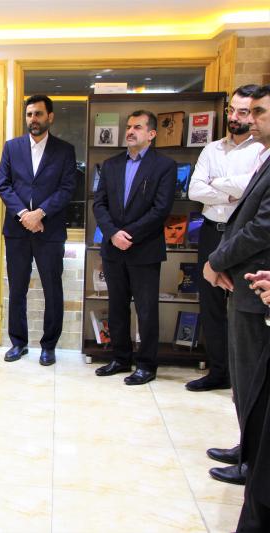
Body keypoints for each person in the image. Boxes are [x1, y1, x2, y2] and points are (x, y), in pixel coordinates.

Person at [203, 84, 270, 493]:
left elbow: (261, 228)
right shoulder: (264, 156)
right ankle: (248, 447)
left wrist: (216, 260)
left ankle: (254, 463)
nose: (247, 119)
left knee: (253, 379)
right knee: (245, 379)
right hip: (245, 282)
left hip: (257, 286)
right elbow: (199, 190)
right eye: (244, 111)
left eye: (257, 112)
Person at [187, 85, 263, 393]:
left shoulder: (262, 149)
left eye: (243, 112)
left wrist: (217, 183)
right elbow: (195, 189)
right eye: (232, 110)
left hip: (243, 235)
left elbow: (251, 189)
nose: (234, 117)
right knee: (211, 305)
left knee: (245, 306)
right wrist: (233, 192)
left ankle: (245, 378)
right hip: (211, 230)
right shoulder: (212, 149)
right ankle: (218, 372)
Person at [92, 110, 176, 385]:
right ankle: (120, 358)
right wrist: (113, 233)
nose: (130, 131)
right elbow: (99, 204)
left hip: (145, 249)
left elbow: (161, 209)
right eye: (128, 126)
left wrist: (128, 234)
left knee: (146, 309)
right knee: (116, 307)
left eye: (137, 127)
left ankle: (146, 365)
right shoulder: (111, 164)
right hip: (113, 248)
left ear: (151, 134)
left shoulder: (164, 166)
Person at [0, 94, 77, 366]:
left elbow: (67, 188)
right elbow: (3, 185)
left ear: (50, 117)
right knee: (17, 288)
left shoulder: (64, 150)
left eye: (39, 114)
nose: (33, 119)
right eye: (30, 114)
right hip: (17, 230)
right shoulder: (12, 147)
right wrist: (24, 215)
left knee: (52, 290)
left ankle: (49, 346)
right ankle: (18, 343)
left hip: (49, 231)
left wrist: (40, 213)